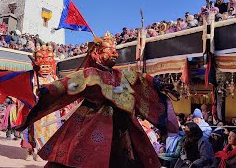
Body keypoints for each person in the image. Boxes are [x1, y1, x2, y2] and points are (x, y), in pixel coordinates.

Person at [16, 32, 179, 167]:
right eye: (109, 50)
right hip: (92, 121)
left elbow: (141, 79)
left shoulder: (122, 75)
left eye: (115, 50)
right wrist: (49, 89)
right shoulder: (90, 74)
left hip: (122, 126)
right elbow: (69, 84)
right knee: (82, 155)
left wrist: (157, 83)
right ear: (96, 54)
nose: (114, 53)